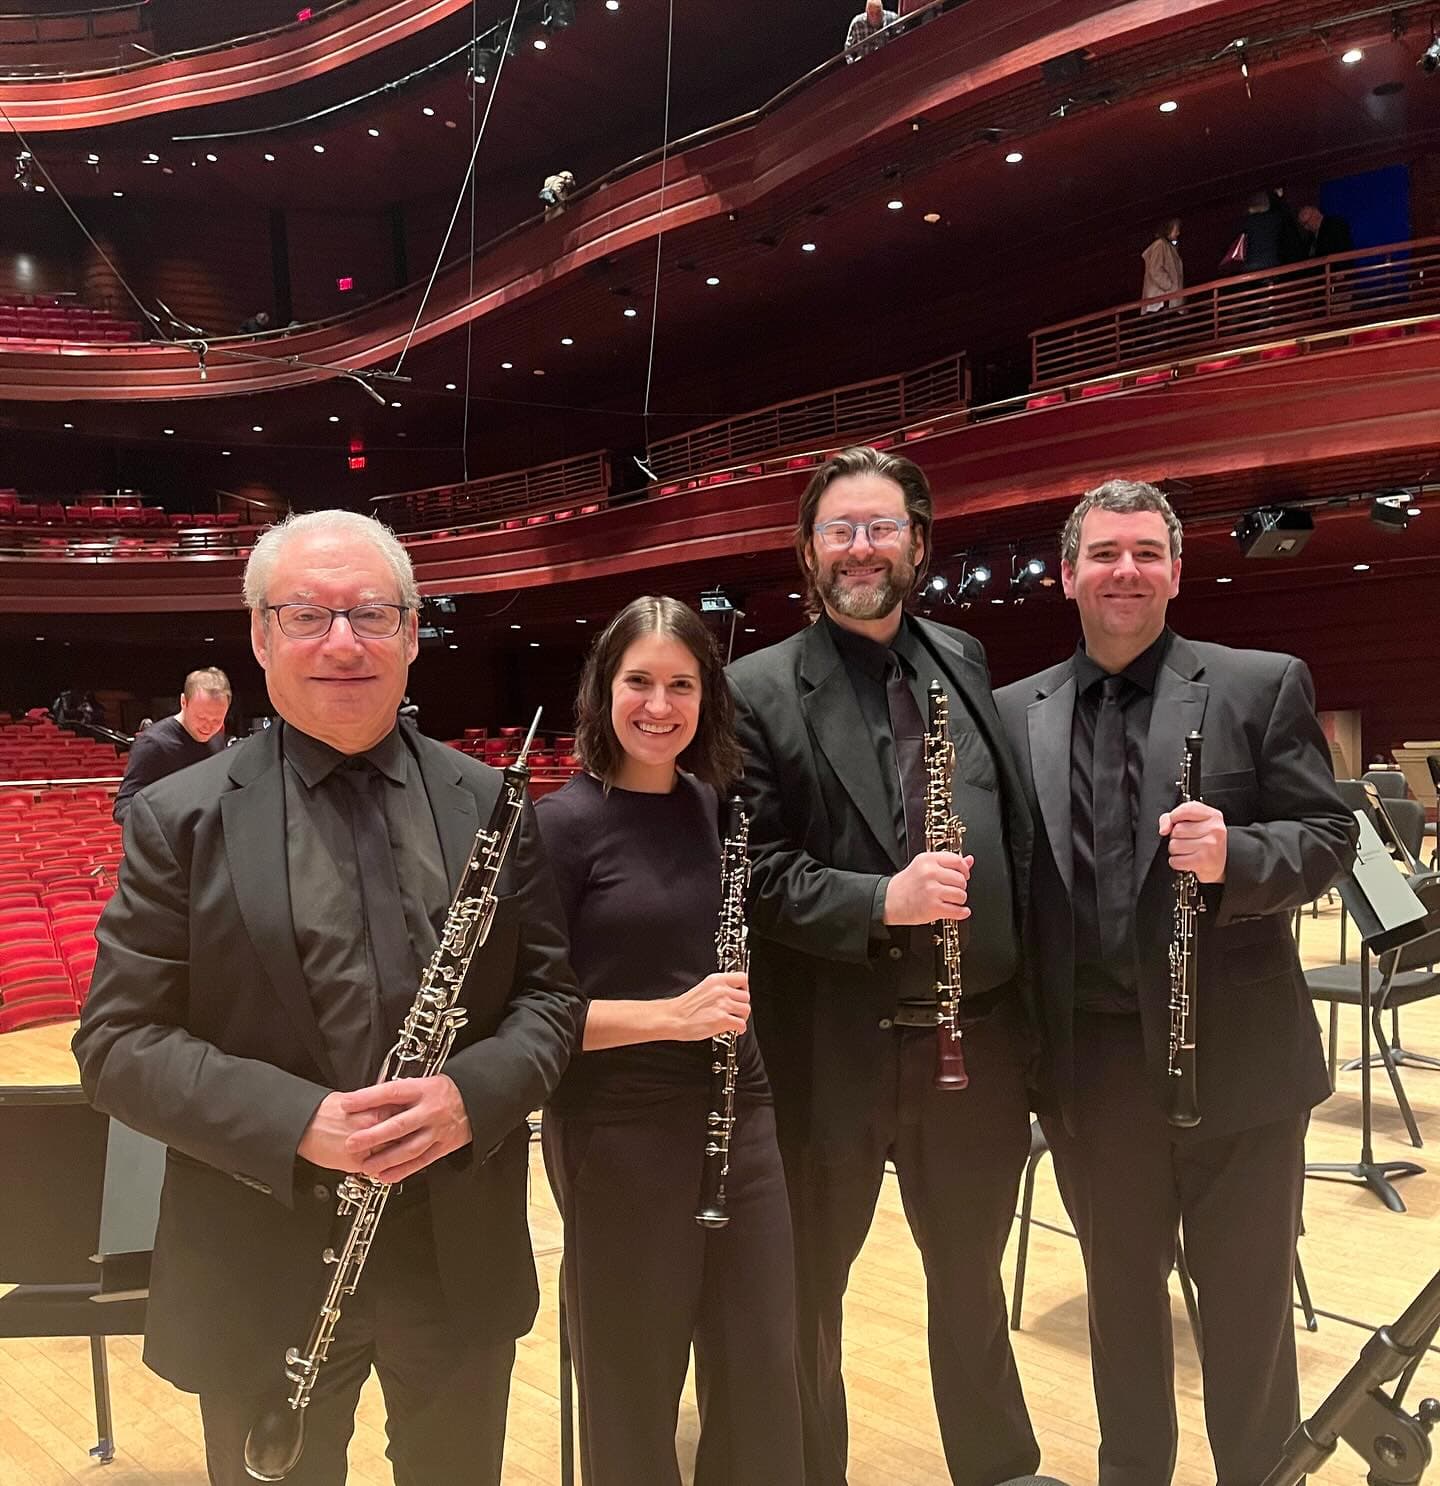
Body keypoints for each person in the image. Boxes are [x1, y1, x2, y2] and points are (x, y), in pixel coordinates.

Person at [73, 508, 582, 1486]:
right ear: (262, 636)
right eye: (306, 614)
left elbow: (551, 1001)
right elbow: (117, 1045)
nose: (343, 642)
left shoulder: (492, 801)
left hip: (453, 1248)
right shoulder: (179, 818)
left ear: (412, 633)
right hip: (264, 1257)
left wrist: (468, 1098)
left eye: (372, 614)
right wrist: (300, 1121)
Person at [994, 479, 1357, 1486]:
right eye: (1105, 553)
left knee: (1248, 1315)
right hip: (1092, 1070)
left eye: (1147, 552)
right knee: (1119, 1312)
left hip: (1239, 1059)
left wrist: (1239, 853)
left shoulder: (1259, 684)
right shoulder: (1012, 713)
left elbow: (1329, 834)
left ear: (1177, 571)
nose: (1127, 570)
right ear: (1068, 573)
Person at [727, 446, 1042, 1485]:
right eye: (840, 530)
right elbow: (752, 875)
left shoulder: (963, 656)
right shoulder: (753, 689)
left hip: (973, 1045)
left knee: (972, 1284)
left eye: (882, 528)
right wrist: (880, 901)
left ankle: (998, 1469)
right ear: (807, 550)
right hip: (833, 1051)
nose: (861, 549)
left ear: (919, 543)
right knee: (808, 1293)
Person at [536, 594, 804, 1486]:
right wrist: (671, 1016)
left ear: (707, 696)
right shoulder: (560, 827)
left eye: (681, 685)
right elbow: (529, 1015)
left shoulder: (713, 806)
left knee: (762, 1364)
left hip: (740, 1110)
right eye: (639, 682)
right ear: (602, 690)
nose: (660, 705)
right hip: (618, 1124)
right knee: (632, 1377)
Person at [112, 667, 231, 824]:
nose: (208, 727)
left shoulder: (216, 737)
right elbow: (123, 808)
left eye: (217, 720)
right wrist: (168, 824)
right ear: (183, 702)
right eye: (201, 717)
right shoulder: (152, 743)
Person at [1140, 218, 1184, 312]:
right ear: (1168, 229)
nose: (1178, 233)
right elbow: (1155, 269)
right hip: (1161, 301)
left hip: (1168, 300)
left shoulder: (1169, 247)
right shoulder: (1160, 244)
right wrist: (1169, 285)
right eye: (1176, 230)